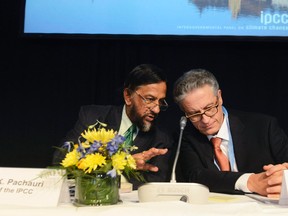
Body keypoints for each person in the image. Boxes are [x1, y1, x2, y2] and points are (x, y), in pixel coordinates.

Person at [53, 64, 174, 190]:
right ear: (128, 96)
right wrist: (123, 164)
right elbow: (60, 160)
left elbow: (153, 186)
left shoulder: (161, 140)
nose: (157, 109)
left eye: (160, 102)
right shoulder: (92, 118)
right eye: (150, 99)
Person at [173, 68, 288, 198]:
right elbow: (196, 176)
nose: (205, 120)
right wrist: (250, 181)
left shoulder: (264, 126)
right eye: (194, 114)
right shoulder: (185, 135)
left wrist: (281, 174)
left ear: (220, 97)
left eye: (209, 108)